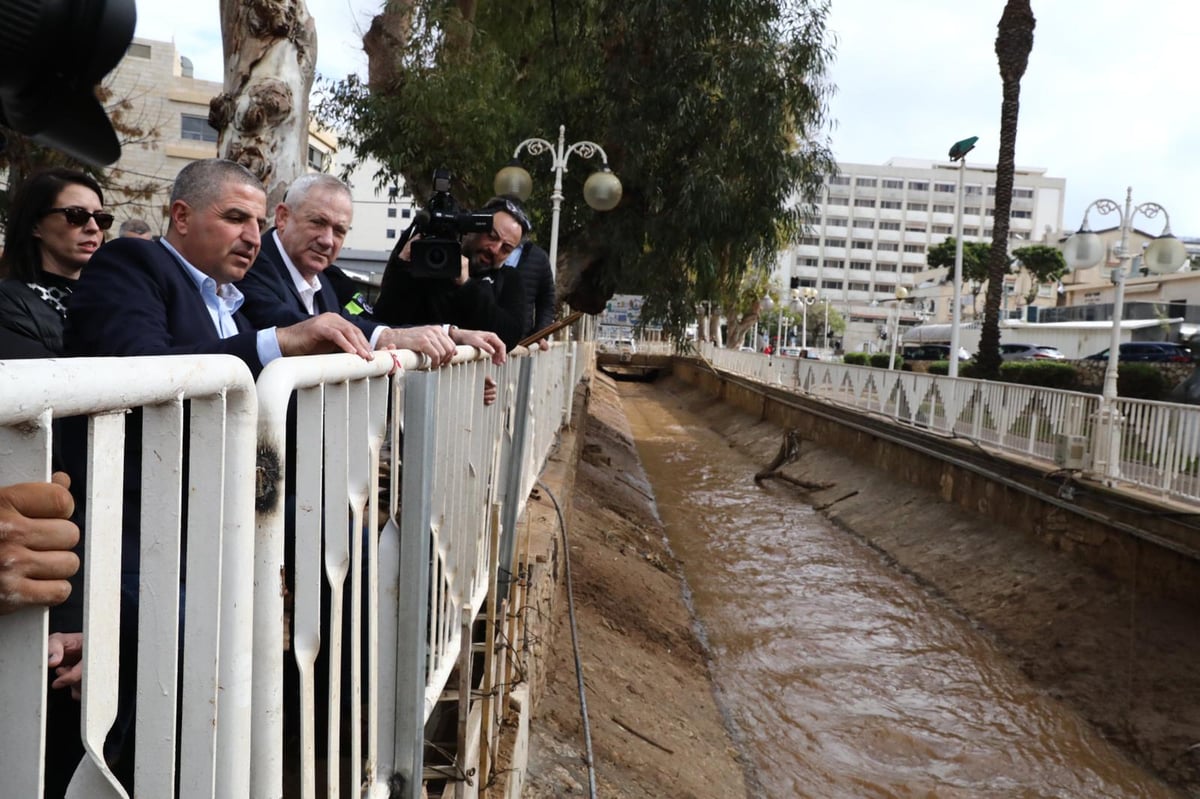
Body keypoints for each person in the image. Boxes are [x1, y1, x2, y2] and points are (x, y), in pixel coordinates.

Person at [64, 158, 374, 373]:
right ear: (182, 217)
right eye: (236, 218)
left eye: (259, 223)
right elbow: (143, 371)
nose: (254, 238)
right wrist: (280, 341)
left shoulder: (233, 300)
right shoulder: (130, 263)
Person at [236, 173, 505, 366]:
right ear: (283, 217)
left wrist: (450, 334)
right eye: (318, 222)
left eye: (339, 231)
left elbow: (357, 324)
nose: (328, 240)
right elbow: (297, 325)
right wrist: (391, 334)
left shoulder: (326, 280)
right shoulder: (251, 262)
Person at [371, 197, 529, 350]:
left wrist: (467, 286)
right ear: (474, 226)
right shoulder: (423, 261)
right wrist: (402, 266)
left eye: (506, 248)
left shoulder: (509, 279)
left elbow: (509, 336)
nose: (494, 249)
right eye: (491, 236)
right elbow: (384, 320)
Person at [0, 168, 111, 357]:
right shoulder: (7, 302)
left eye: (101, 219)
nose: (93, 228)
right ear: (35, 225)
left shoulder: (115, 296)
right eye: (76, 215)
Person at [497, 196, 555, 342]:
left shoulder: (539, 258)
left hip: (520, 345)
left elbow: (547, 301)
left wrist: (540, 334)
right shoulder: (480, 251)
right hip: (477, 346)